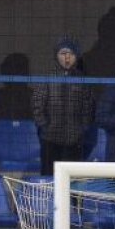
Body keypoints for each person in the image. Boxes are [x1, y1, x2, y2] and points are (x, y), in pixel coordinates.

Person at [31, 36, 95, 176]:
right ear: (56, 56)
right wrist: (44, 126)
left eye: (71, 54)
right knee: (49, 178)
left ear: (76, 57)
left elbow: (88, 107)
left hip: (74, 141)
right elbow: (37, 106)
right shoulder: (46, 78)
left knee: (73, 183)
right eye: (63, 53)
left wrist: (81, 129)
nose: (67, 58)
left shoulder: (82, 80)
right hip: (50, 140)